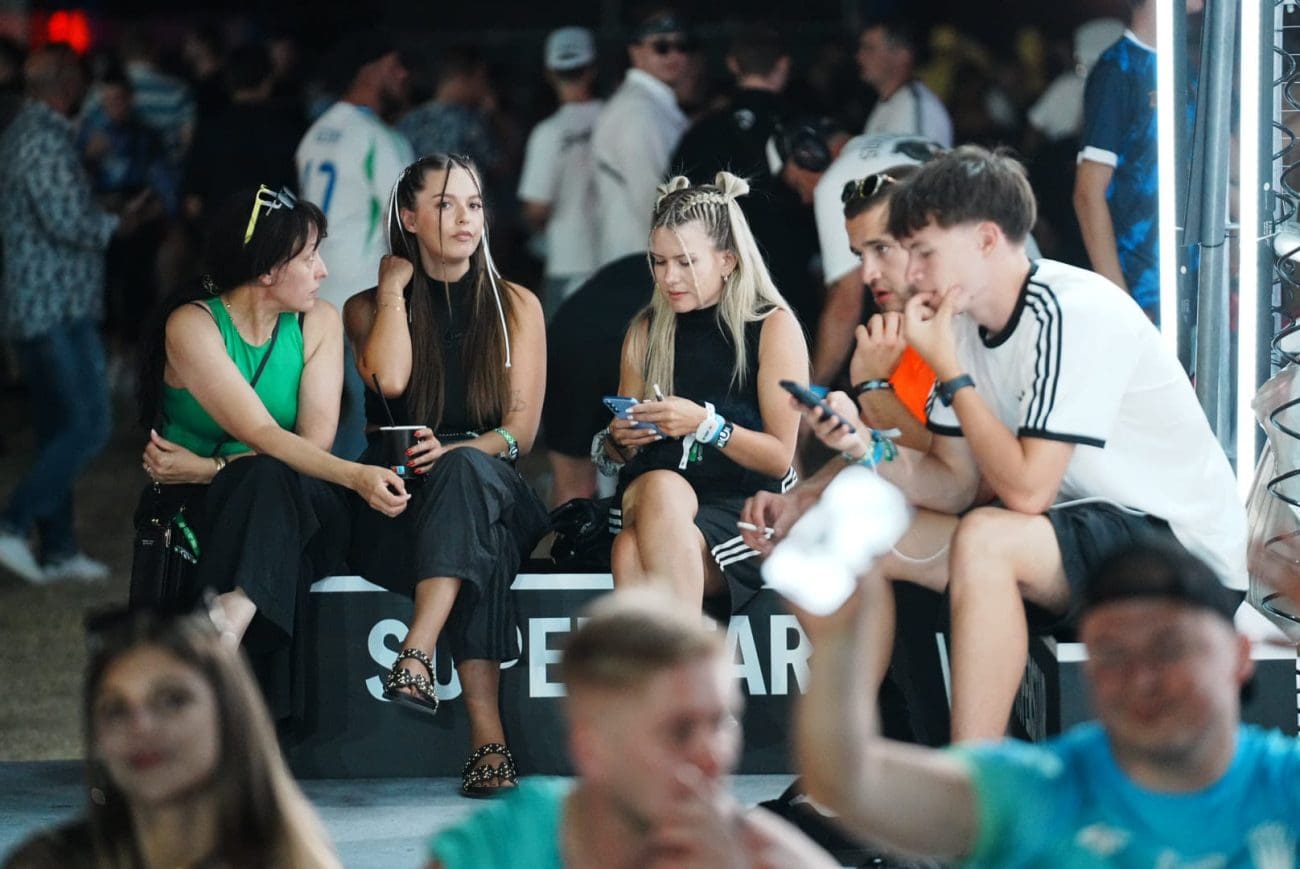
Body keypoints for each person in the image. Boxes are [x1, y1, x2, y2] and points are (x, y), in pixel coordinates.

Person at [744, 146, 1246, 743]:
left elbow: (1028, 492)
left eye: (923, 252)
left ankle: (975, 774)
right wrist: (862, 445)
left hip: (1181, 551)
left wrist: (951, 375)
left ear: (986, 240)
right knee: (858, 534)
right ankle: (859, 754)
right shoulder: (959, 326)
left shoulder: (1068, 308)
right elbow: (953, 484)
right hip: (1082, 529)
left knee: (988, 538)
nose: (911, 273)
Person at [794, 537, 1298, 867]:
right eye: (1112, 655)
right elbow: (848, 780)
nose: (1141, 678)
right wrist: (842, 642)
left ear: (1239, 656)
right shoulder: (1039, 793)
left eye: (1170, 650)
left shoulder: (1286, 785)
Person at [133, 185, 408, 697]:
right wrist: (358, 476)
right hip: (200, 512)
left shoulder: (318, 321)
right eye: (310, 257)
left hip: (289, 498)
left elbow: (312, 444)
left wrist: (209, 467)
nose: (323, 270)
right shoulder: (193, 325)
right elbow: (262, 434)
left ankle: (230, 617)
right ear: (266, 271)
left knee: (270, 478)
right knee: (265, 475)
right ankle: (251, 677)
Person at [343, 154, 549, 798]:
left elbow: (521, 433)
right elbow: (389, 381)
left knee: (467, 477)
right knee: (479, 544)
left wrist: (459, 449)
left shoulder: (517, 306)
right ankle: (489, 745)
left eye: (475, 204)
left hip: (498, 489)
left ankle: (417, 651)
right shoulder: (367, 307)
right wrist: (392, 290)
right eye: (444, 204)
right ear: (409, 218)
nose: (465, 218)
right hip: (403, 505)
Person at [427, 589, 838, 869]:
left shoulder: (768, 855)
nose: (713, 755)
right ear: (591, 747)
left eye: (721, 723)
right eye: (678, 731)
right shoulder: (497, 847)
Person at [600, 172, 808, 611]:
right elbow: (617, 454)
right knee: (660, 487)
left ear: (727, 260)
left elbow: (779, 457)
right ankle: (689, 652)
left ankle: (668, 654)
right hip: (653, 496)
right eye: (659, 262)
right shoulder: (646, 330)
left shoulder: (771, 326)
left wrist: (706, 424)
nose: (669, 277)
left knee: (629, 552)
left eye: (686, 262)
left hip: (745, 507)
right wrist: (620, 440)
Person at [2, 607, 341, 868]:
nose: (141, 726)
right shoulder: (47, 863)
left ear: (229, 712)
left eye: (172, 701)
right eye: (115, 710)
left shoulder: (294, 859)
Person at [0, 44, 151, 584]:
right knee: (90, 424)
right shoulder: (43, 139)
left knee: (57, 430)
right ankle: (12, 524)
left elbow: (55, 212)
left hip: (43, 305)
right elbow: (68, 225)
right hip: (54, 308)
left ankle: (59, 550)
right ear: (66, 84)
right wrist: (120, 223)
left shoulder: (29, 133)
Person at [296, 31, 414, 459]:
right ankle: (349, 493)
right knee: (372, 414)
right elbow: (406, 221)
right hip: (365, 296)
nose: (403, 75)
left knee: (328, 414)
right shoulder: (378, 137)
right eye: (395, 65)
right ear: (371, 70)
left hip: (315, 290)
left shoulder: (316, 134)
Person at [670, 26, 820, 334]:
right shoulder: (807, 132)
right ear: (783, 65)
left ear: (733, 64)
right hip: (790, 284)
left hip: (722, 285)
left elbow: (675, 210)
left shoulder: (702, 132)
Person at [772, 124, 937, 385]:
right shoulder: (884, 144)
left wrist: (814, 389)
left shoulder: (834, 182)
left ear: (810, 155)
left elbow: (845, 304)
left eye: (797, 184)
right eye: (861, 255)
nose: (804, 199)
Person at [1073, 0, 1204, 320]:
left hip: (1194, 282)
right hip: (1143, 289)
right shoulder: (1117, 70)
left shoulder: (1183, 68)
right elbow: (1088, 194)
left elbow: (1216, 162)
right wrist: (1123, 304)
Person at [543, 253, 653, 507]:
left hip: (573, 333)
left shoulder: (649, 264)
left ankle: (568, 530)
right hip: (585, 340)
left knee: (572, 488)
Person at [838, 164, 933, 451]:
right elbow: (882, 451)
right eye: (860, 256)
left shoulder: (974, 327)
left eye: (881, 248)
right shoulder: (893, 332)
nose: (867, 274)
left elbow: (954, 469)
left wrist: (872, 385)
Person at [591, 6, 691, 267]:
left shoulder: (649, 104)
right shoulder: (638, 111)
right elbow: (654, 200)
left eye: (681, 46)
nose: (674, 55)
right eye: (661, 47)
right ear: (635, 52)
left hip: (647, 259)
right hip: (642, 261)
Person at [517, 26, 603, 320]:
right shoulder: (618, 117)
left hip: (568, 262)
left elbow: (536, 208)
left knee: (564, 345)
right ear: (592, 68)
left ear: (550, 73)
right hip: (617, 256)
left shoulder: (548, 133)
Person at [857, 18, 953, 148]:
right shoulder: (891, 101)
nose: (859, 56)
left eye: (869, 49)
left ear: (902, 56)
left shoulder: (917, 107)